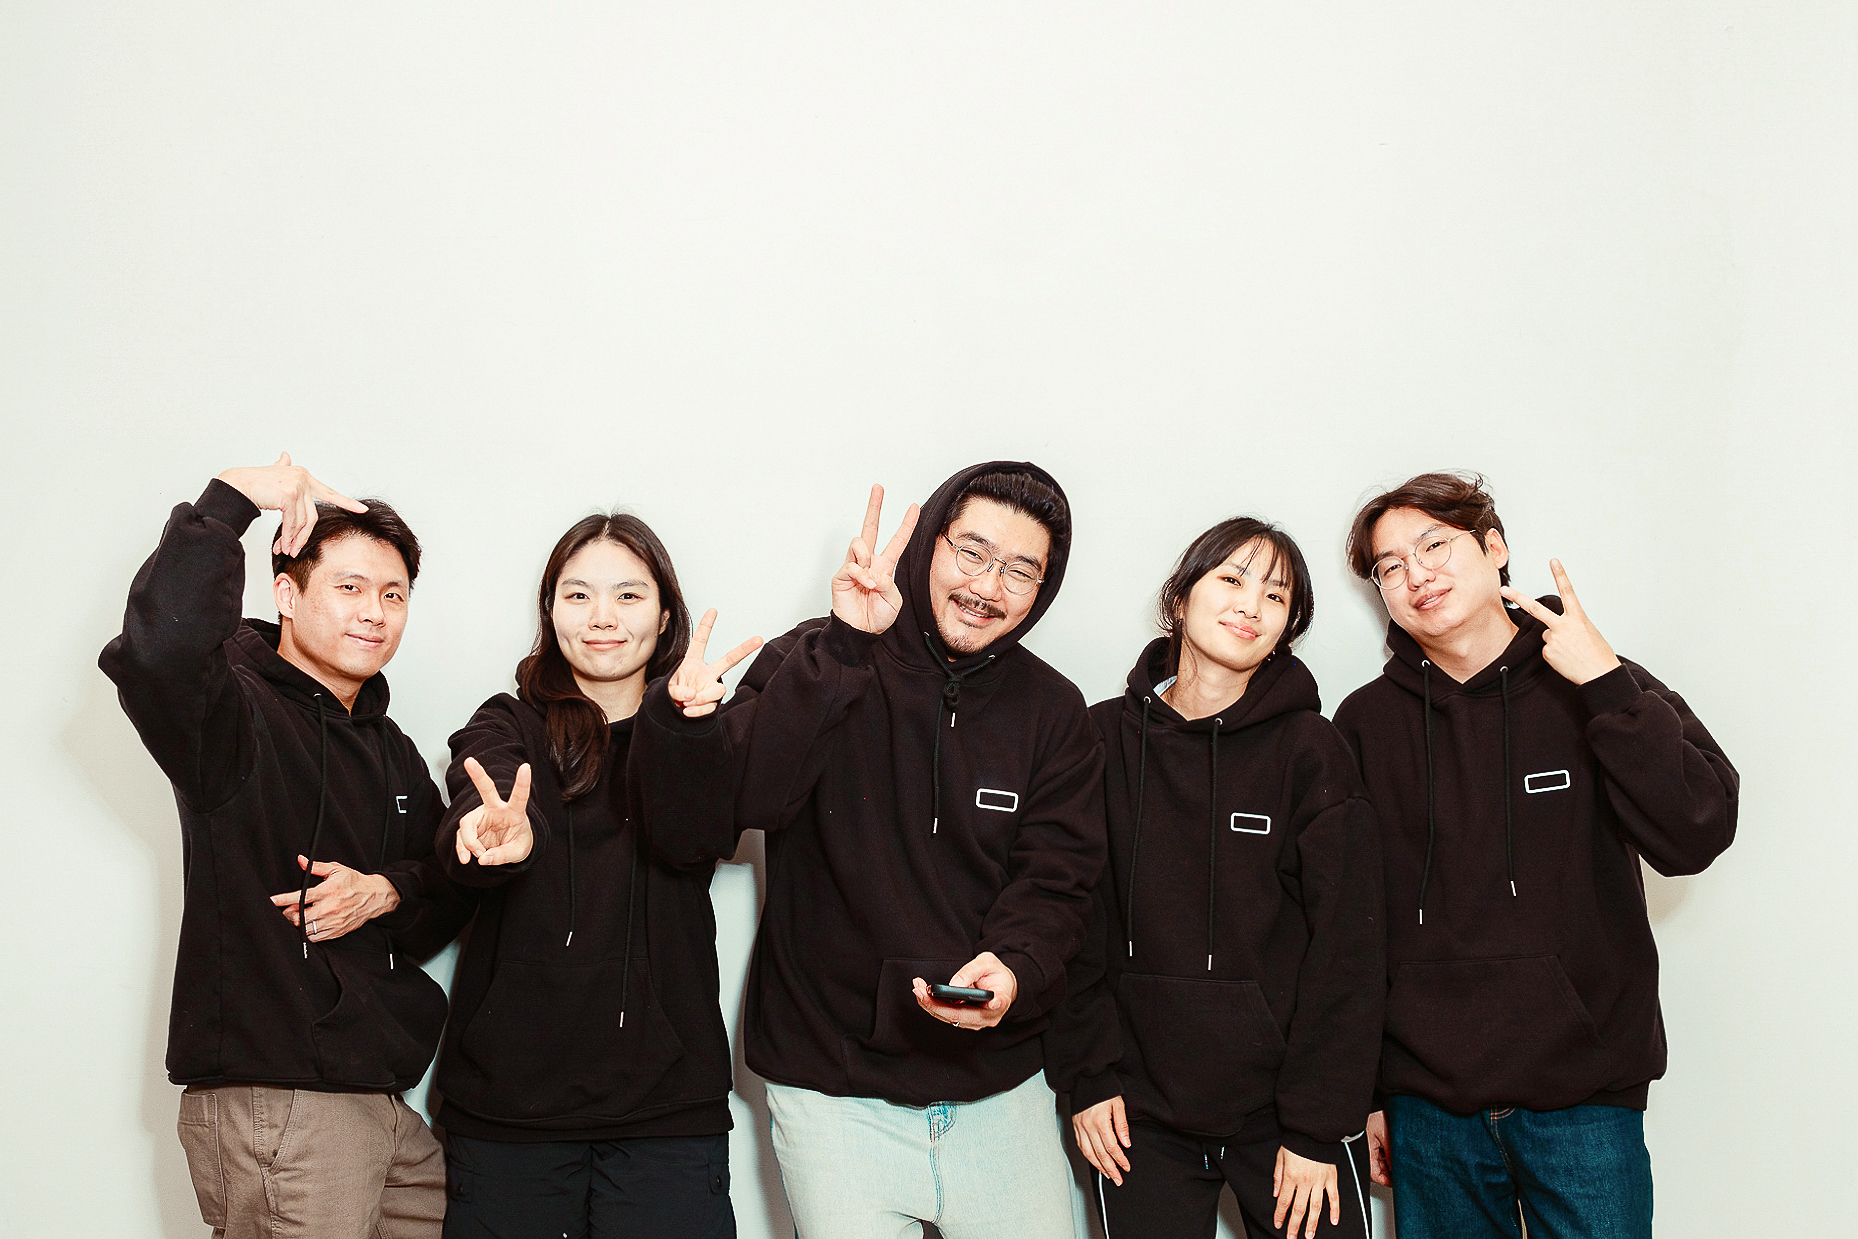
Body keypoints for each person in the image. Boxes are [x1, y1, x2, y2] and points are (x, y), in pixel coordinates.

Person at [1332, 472, 1738, 1239]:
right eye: (1390, 566)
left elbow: (1696, 831)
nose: (1417, 574)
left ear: (1494, 548)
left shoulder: (1598, 680)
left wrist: (1607, 684)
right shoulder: (1363, 724)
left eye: (1434, 545)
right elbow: (1351, 926)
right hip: (1429, 1112)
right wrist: (1372, 1093)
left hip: (1585, 1100)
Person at [711, 463, 1106, 1239]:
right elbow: (746, 799)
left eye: (1019, 570)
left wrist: (1016, 966)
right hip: (833, 1092)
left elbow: (1058, 882)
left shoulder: (1055, 710)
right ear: (929, 544)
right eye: (972, 552)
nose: (987, 587)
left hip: (1002, 1090)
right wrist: (844, 647)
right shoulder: (819, 655)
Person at [99, 454, 473, 1239]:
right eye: (350, 587)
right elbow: (157, 656)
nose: (374, 612)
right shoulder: (234, 712)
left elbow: (442, 895)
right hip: (281, 1099)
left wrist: (387, 889)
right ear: (287, 595)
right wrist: (232, 499)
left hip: (380, 1101)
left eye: (393, 594)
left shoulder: (393, 750)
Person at [1045, 517, 1384, 1239]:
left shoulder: (1312, 751)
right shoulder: (1102, 740)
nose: (1251, 604)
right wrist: (1089, 1074)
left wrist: (1319, 1126)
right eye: (1231, 579)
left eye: (1276, 595)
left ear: (1288, 627)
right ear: (1180, 599)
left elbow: (1349, 951)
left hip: (1287, 1116)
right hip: (1137, 1115)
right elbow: (1074, 920)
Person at [431, 513, 759, 1239]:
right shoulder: (507, 722)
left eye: (628, 595)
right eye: (578, 595)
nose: (602, 618)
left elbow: (694, 841)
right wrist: (495, 831)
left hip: (667, 1114)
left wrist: (689, 728)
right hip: (509, 1115)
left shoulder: (704, 728)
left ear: (665, 614)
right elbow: (478, 795)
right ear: (550, 612)